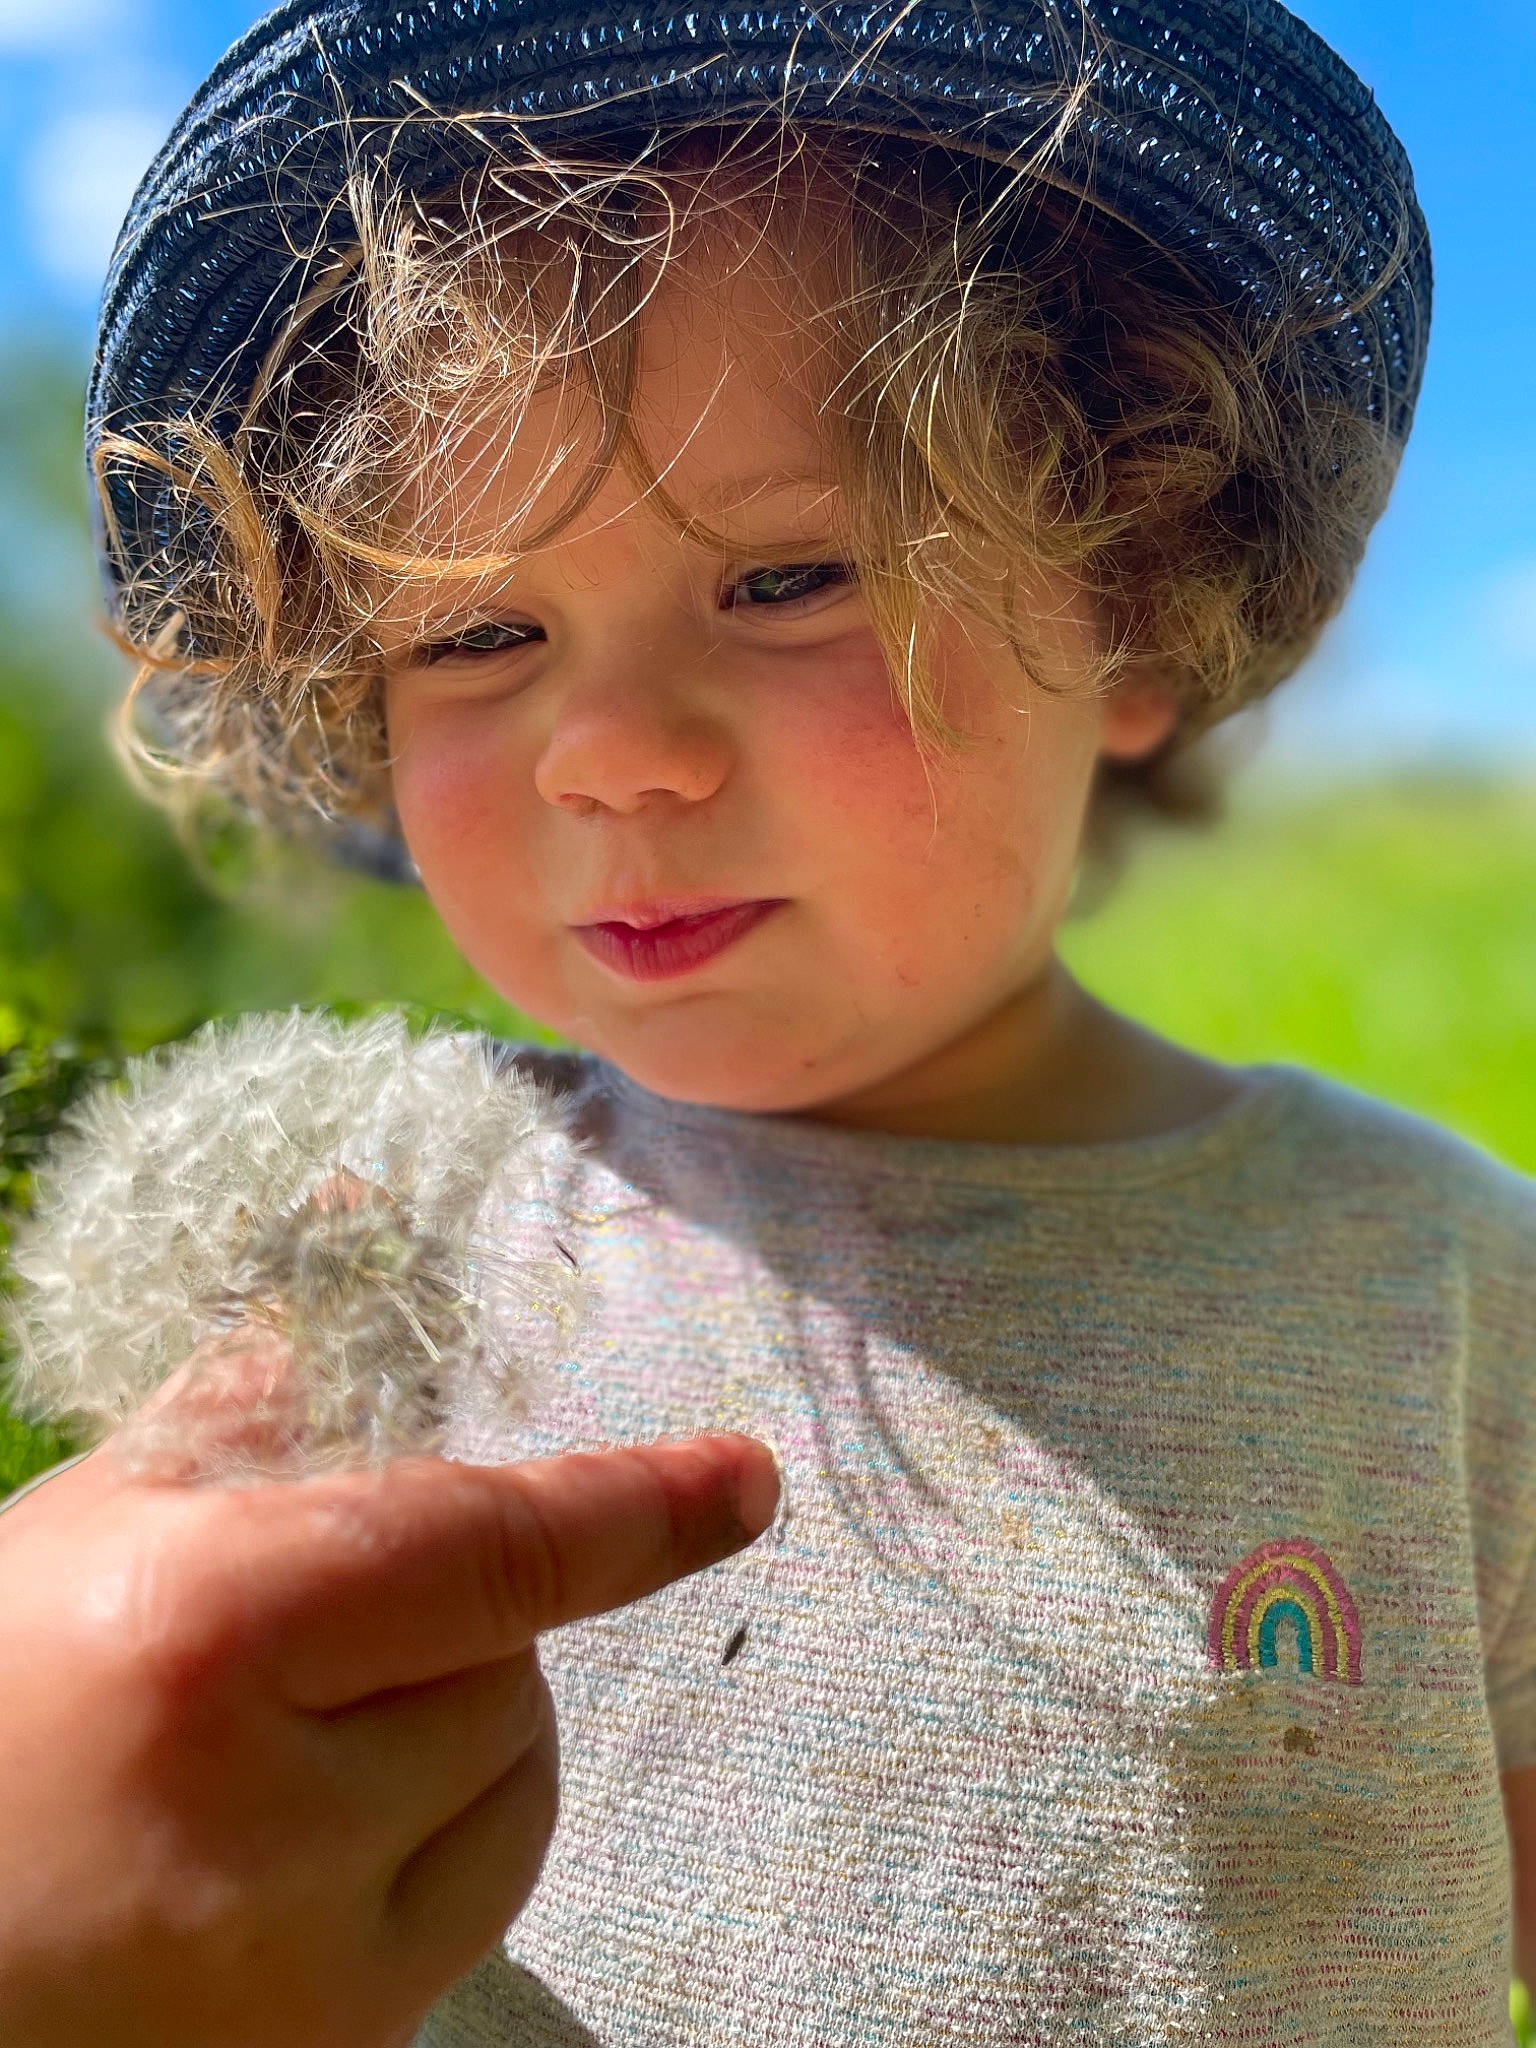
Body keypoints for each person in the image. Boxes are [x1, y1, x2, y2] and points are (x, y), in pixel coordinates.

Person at [4, 0, 1533, 2038]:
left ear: (1136, 605)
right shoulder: (376, 1251)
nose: (610, 752)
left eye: (790, 579)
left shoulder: (1444, 1287)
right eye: (478, 631)